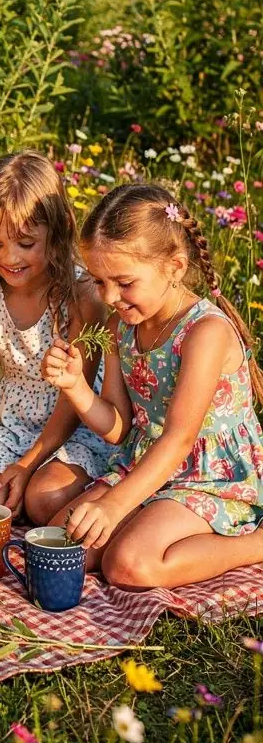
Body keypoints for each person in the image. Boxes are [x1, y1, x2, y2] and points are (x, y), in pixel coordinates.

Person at [43, 183, 263, 586]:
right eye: (98, 281)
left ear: (174, 267)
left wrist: (116, 504)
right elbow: (119, 428)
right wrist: (76, 386)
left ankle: (257, 542)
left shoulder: (205, 332)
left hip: (209, 476)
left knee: (128, 564)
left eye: (124, 282)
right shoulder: (120, 327)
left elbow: (179, 438)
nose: (110, 296)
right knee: (63, 543)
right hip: (145, 463)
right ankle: (148, 516)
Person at [0, 151, 112, 521]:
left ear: (56, 231)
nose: (10, 258)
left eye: (25, 243)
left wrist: (27, 465)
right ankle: (24, 487)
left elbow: (75, 399)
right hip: (7, 420)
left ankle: (52, 485)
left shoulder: (80, 294)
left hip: (74, 424)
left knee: (45, 500)